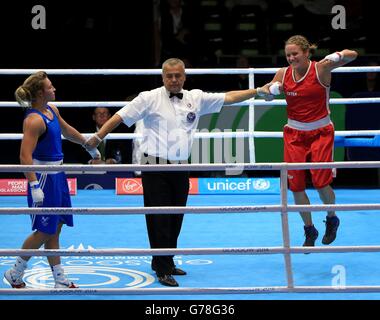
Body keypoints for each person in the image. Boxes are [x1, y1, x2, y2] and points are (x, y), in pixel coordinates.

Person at [85, 58, 273, 287]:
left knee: (176, 217)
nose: (174, 80)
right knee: (159, 218)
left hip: (181, 166)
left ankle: (166, 260)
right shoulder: (148, 97)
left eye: (178, 76)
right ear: (163, 77)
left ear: (184, 76)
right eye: (169, 76)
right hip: (154, 166)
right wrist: (98, 137)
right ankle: (162, 268)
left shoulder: (195, 97)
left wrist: (257, 90)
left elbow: (229, 97)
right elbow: (119, 117)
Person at [4, 71, 100, 289]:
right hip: (43, 179)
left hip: (58, 176)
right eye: (50, 86)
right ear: (40, 92)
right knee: (45, 230)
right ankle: (15, 272)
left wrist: (87, 144)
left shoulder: (52, 110)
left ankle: (59, 279)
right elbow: (24, 156)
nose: (54, 89)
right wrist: (33, 184)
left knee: (55, 227)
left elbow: (67, 132)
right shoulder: (34, 120)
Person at [263, 35, 358, 247]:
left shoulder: (321, 69)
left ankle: (332, 218)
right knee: (295, 185)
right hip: (294, 134)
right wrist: (271, 91)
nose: (291, 58)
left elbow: (353, 55)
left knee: (321, 182)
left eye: (295, 53)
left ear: (306, 53)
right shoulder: (283, 73)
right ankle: (309, 229)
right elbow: (264, 93)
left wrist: (337, 56)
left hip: (320, 132)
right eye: (288, 54)